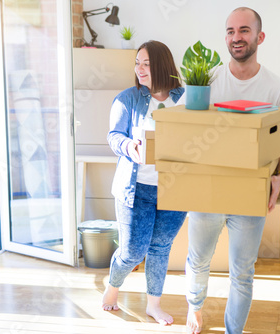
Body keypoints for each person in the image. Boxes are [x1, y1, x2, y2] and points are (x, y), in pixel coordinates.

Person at [184, 7, 280, 334]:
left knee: (242, 272)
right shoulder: (207, 82)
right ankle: (195, 307)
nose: (237, 37)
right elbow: (186, 131)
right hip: (207, 194)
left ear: (259, 37)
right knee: (199, 260)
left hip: (252, 197)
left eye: (244, 30)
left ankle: (234, 331)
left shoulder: (278, 90)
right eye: (231, 31)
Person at [103, 40, 187, 326]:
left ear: (162, 66)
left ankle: (154, 305)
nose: (139, 69)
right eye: (137, 63)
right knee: (132, 252)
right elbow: (115, 136)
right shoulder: (127, 98)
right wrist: (131, 148)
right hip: (135, 189)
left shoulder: (185, 99)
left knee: (161, 248)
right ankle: (112, 288)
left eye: (146, 64)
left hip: (174, 188)